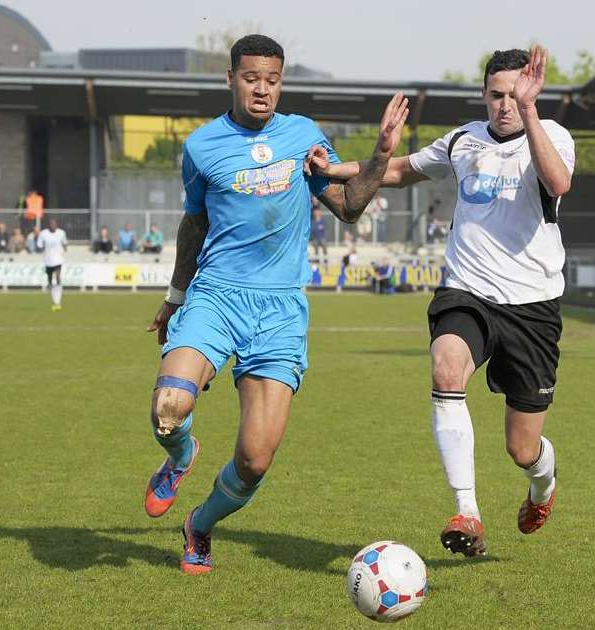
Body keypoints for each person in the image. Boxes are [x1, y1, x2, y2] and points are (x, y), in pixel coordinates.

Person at [143, 34, 407, 576]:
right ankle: (181, 457)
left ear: (280, 81)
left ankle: (200, 525)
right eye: (250, 78)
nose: (262, 89)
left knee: (254, 461)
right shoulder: (201, 146)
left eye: (272, 79)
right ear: (231, 79)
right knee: (169, 407)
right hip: (216, 297)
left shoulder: (304, 136)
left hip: (280, 310)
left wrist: (379, 154)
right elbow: (193, 224)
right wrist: (174, 298)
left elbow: (350, 208)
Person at [307, 45, 574, 556]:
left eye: (515, 95)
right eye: (496, 95)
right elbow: (399, 171)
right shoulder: (461, 141)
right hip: (467, 290)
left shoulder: (554, 136)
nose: (505, 105)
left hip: (533, 307)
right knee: (446, 368)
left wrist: (533, 110)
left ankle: (543, 483)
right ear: (483, 95)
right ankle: (467, 511)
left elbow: (558, 181)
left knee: (522, 448)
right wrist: (334, 168)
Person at [37, 218, 67, 312]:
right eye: (51, 224)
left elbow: (65, 243)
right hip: (48, 260)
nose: (52, 225)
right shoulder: (43, 234)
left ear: (57, 225)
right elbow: (39, 246)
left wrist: (64, 249)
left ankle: (58, 301)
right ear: (48, 225)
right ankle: (55, 301)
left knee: (58, 277)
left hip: (58, 259)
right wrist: (43, 250)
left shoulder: (61, 233)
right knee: (50, 281)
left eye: (54, 224)